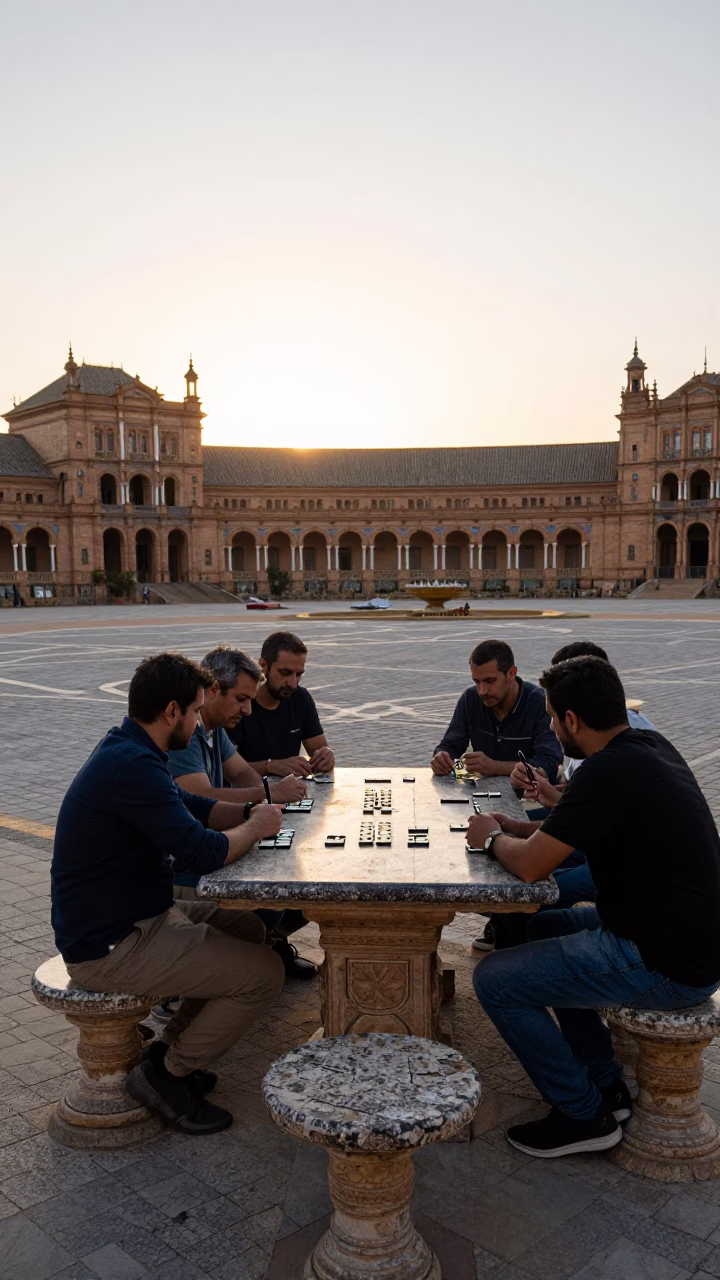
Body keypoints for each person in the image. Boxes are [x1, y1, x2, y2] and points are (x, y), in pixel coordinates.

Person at [468, 656, 720, 1159]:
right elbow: (574, 823)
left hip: (666, 960)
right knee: (540, 929)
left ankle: (582, 1114)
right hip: (677, 934)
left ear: (572, 720)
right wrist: (517, 827)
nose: (550, 728)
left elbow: (531, 867)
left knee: (494, 980)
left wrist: (492, 838)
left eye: (553, 719)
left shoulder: (606, 770)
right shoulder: (645, 747)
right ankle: (606, 1084)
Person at [51, 652, 286, 1137]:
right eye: (196, 711)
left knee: (248, 928)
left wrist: (253, 809)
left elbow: (193, 806)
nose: (199, 722)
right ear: (172, 711)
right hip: (111, 944)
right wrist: (256, 828)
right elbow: (202, 851)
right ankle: (169, 1077)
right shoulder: (130, 765)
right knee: (265, 974)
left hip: (141, 913)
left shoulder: (131, 749)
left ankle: (167, 1054)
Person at [167, 644, 317, 979]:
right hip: (187, 866)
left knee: (302, 877)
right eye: (241, 699)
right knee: (274, 899)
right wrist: (268, 793)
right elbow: (201, 798)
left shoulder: (214, 729)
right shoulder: (183, 733)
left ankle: (259, 951)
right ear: (213, 690)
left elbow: (243, 774)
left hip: (211, 847)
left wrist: (269, 802)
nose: (248, 710)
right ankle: (216, 972)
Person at [432, 639, 563, 952]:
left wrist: (496, 766)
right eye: (477, 682)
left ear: (511, 674)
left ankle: (509, 930)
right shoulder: (471, 699)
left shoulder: (538, 702)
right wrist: (442, 756)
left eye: (489, 681)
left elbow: (548, 762)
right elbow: (451, 742)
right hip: (486, 798)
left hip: (531, 801)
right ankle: (502, 921)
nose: (482, 690)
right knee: (459, 844)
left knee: (502, 845)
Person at [229, 631, 335, 777]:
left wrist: (326, 756)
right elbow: (222, 768)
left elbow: (319, 751)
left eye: (299, 674)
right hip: (247, 789)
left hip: (291, 789)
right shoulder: (240, 704)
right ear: (263, 665)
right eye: (285, 672)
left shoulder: (301, 698)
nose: (293, 684)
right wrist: (270, 766)